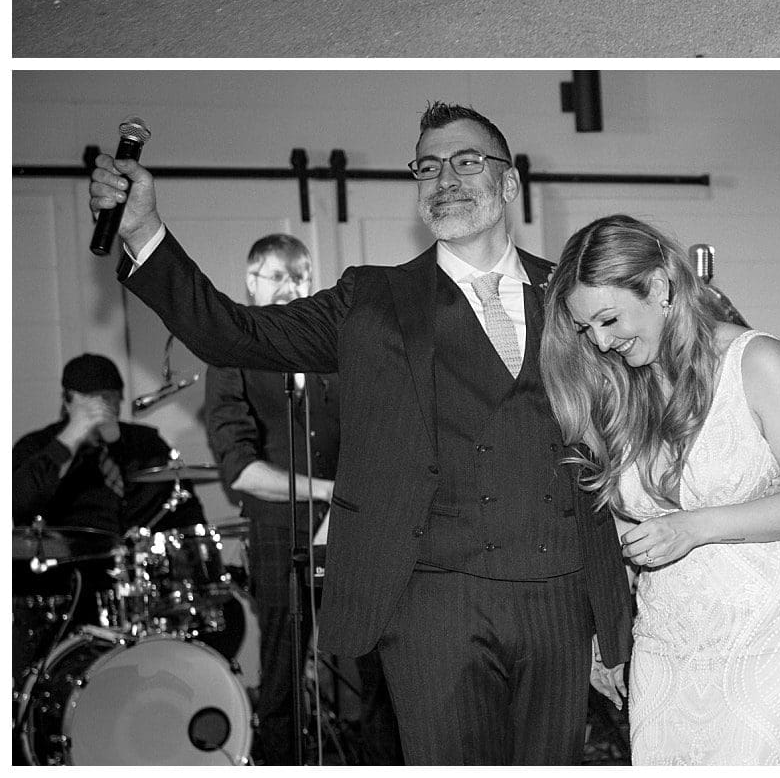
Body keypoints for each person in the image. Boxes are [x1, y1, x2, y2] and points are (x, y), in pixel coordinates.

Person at [89, 101, 633, 764]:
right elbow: (233, 330)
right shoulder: (370, 299)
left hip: (556, 595)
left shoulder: (570, 294)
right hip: (432, 603)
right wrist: (143, 227)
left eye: (467, 160)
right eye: (428, 165)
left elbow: (636, 410)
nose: (445, 178)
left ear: (510, 181)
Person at [543, 213, 780, 766]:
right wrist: (607, 638)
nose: (603, 342)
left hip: (770, 640)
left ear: (659, 288)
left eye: (608, 319)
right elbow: (619, 535)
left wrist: (694, 527)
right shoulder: (615, 390)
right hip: (664, 648)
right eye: (588, 331)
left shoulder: (757, 361)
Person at [201, 233, 345, 767]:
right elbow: (239, 469)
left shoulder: (335, 352)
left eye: (301, 276)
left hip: (349, 530)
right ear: (252, 282)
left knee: (375, 669)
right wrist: (327, 490)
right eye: (278, 276)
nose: (292, 287)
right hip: (280, 532)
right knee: (283, 672)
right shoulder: (230, 356)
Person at [13, 353, 180, 540]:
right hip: (72, 559)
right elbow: (17, 503)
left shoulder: (146, 442)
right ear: (68, 401)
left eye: (109, 397)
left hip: (143, 558)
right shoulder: (36, 446)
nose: (101, 407)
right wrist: (71, 438)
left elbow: (182, 504)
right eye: (91, 399)